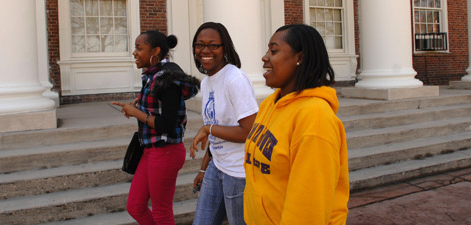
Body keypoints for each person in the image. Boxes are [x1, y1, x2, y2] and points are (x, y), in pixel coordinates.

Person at [243, 24, 349, 225]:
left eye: (274, 51)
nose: (265, 57)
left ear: (299, 58)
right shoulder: (269, 104)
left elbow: (308, 208)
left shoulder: (315, 118)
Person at [112, 30, 200, 225]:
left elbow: (167, 125)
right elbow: (158, 107)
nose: (134, 53)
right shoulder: (152, 76)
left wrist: (136, 113)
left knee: (161, 211)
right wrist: (139, 105)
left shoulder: (166, 79)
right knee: (135, 206)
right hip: (150, 149)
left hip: (165, 151)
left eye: (139, 48)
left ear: (156, 51)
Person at [190, 22, 259, 225]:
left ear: (224, 48)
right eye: (200, 44)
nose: (205, 50)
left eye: (213, 45)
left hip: (239, 172)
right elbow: (216, 130)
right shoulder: (206, 81)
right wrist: (203, 169)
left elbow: (249, 131)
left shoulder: (235, 79)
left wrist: (207, 128)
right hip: (217, 165)